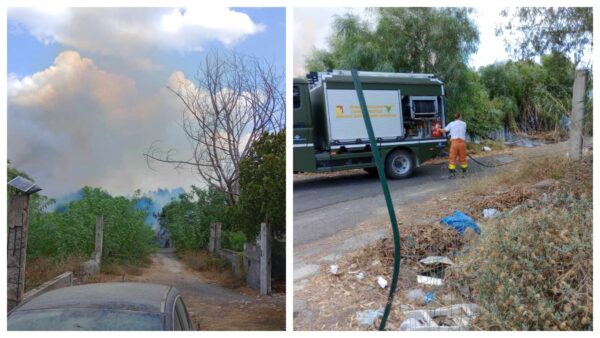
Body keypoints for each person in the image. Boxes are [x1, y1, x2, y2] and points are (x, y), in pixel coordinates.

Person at [437, 112, 468, 178]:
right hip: (462, 143)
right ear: (460, 117)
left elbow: (443, 131)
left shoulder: (451, 124)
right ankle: (464, 174)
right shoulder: (464, 124)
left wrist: (438, 128)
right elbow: (460, 130)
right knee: (463, 159)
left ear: (455, 117)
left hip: (454, 143)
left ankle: (452, 174)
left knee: (452, 158)